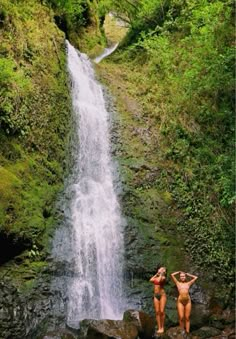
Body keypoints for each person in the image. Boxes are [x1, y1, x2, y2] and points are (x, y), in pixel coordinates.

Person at [150, 266, 167, 334]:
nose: (160, 270)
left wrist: (161, 274)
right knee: (157, 312)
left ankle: (162, 327)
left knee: (162, 311)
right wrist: (156, 274)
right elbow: (151, 280)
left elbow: (159, 281)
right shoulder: (156, 277)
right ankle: (159, 327)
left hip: (162, 295)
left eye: (161, 269)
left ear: (164, 272)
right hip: (156, 296)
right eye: (159, 269)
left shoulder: (163, 277)